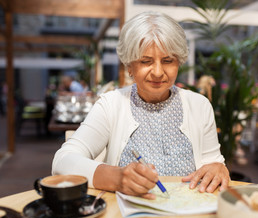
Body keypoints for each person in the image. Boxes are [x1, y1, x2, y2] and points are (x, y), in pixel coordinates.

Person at [52, 11, 229, 199]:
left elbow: (213, 164)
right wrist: (117, 178)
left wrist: (218, 168)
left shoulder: (199, 105)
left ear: (179, 62)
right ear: (129, 66)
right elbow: (62, 162)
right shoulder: (111, 105)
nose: (158, 72)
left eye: (168, 61)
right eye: (146, 61)